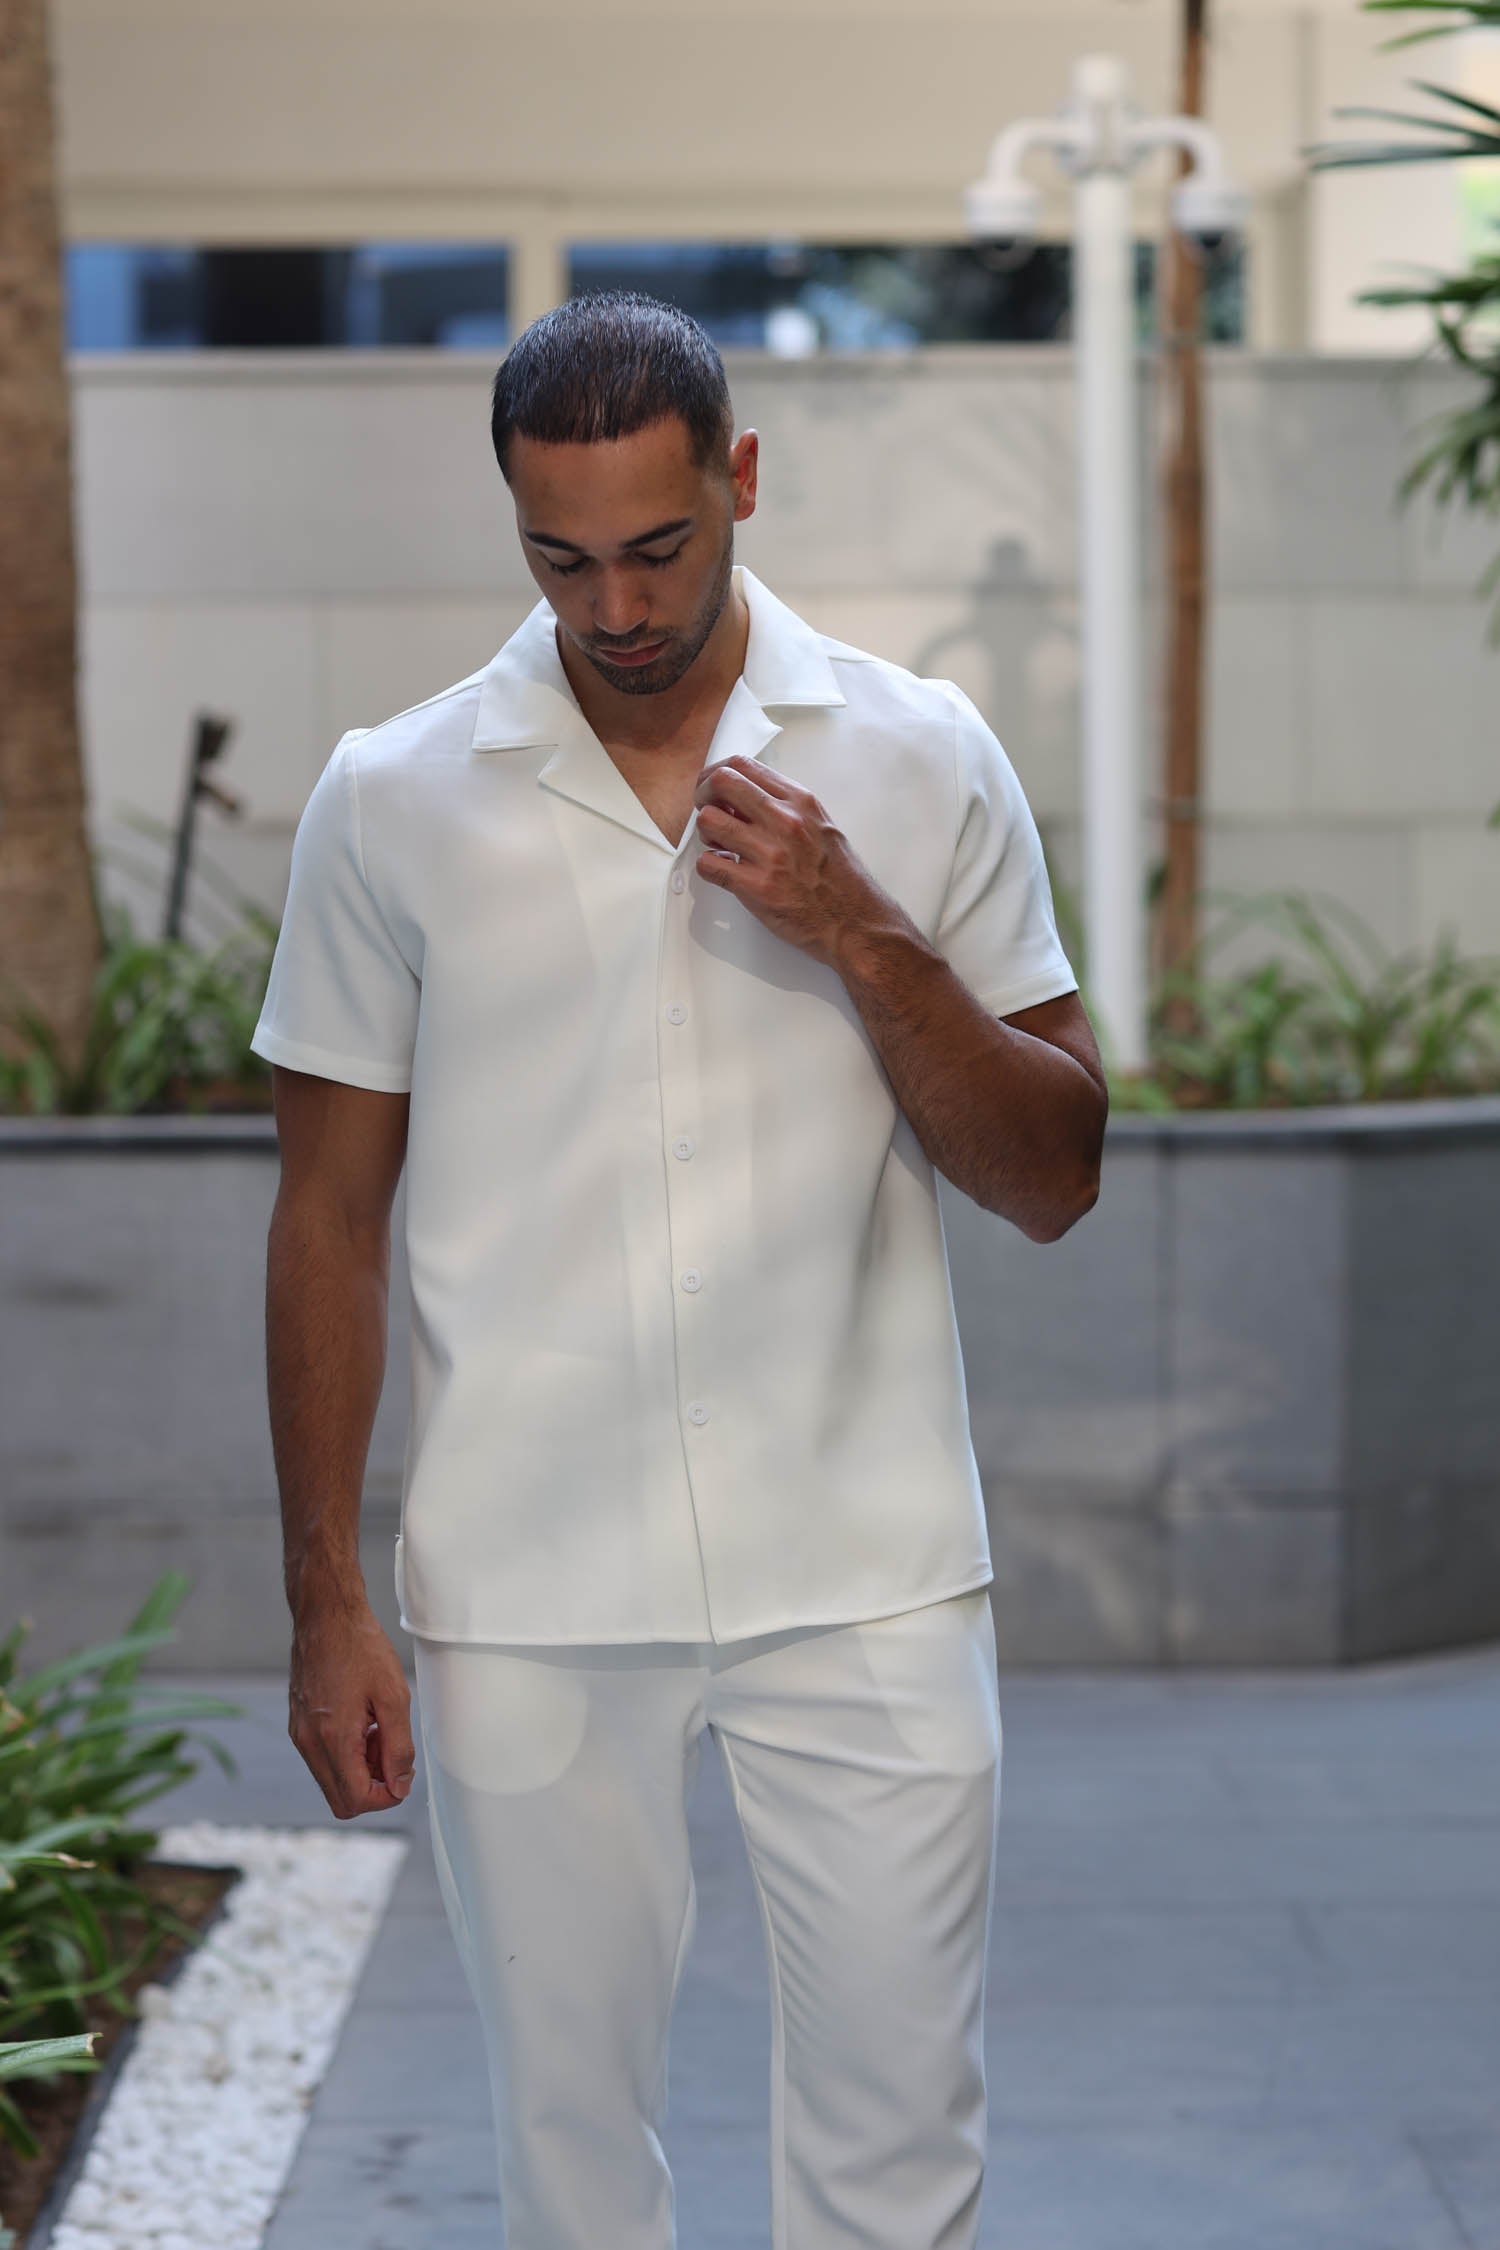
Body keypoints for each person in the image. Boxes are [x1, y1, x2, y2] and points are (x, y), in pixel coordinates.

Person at [253, 288, 1107, 2250]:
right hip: (527, 1584)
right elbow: (324, 1219)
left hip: (869, 1568)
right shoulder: (392, 795)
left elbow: (1055, 1173)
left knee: (901, 2156)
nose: (616, 606)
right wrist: (324, 1598)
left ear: (742, 479)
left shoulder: (920, 752)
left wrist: (863, 932)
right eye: (561, 560)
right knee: (570, 2165)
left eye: (657, 546)